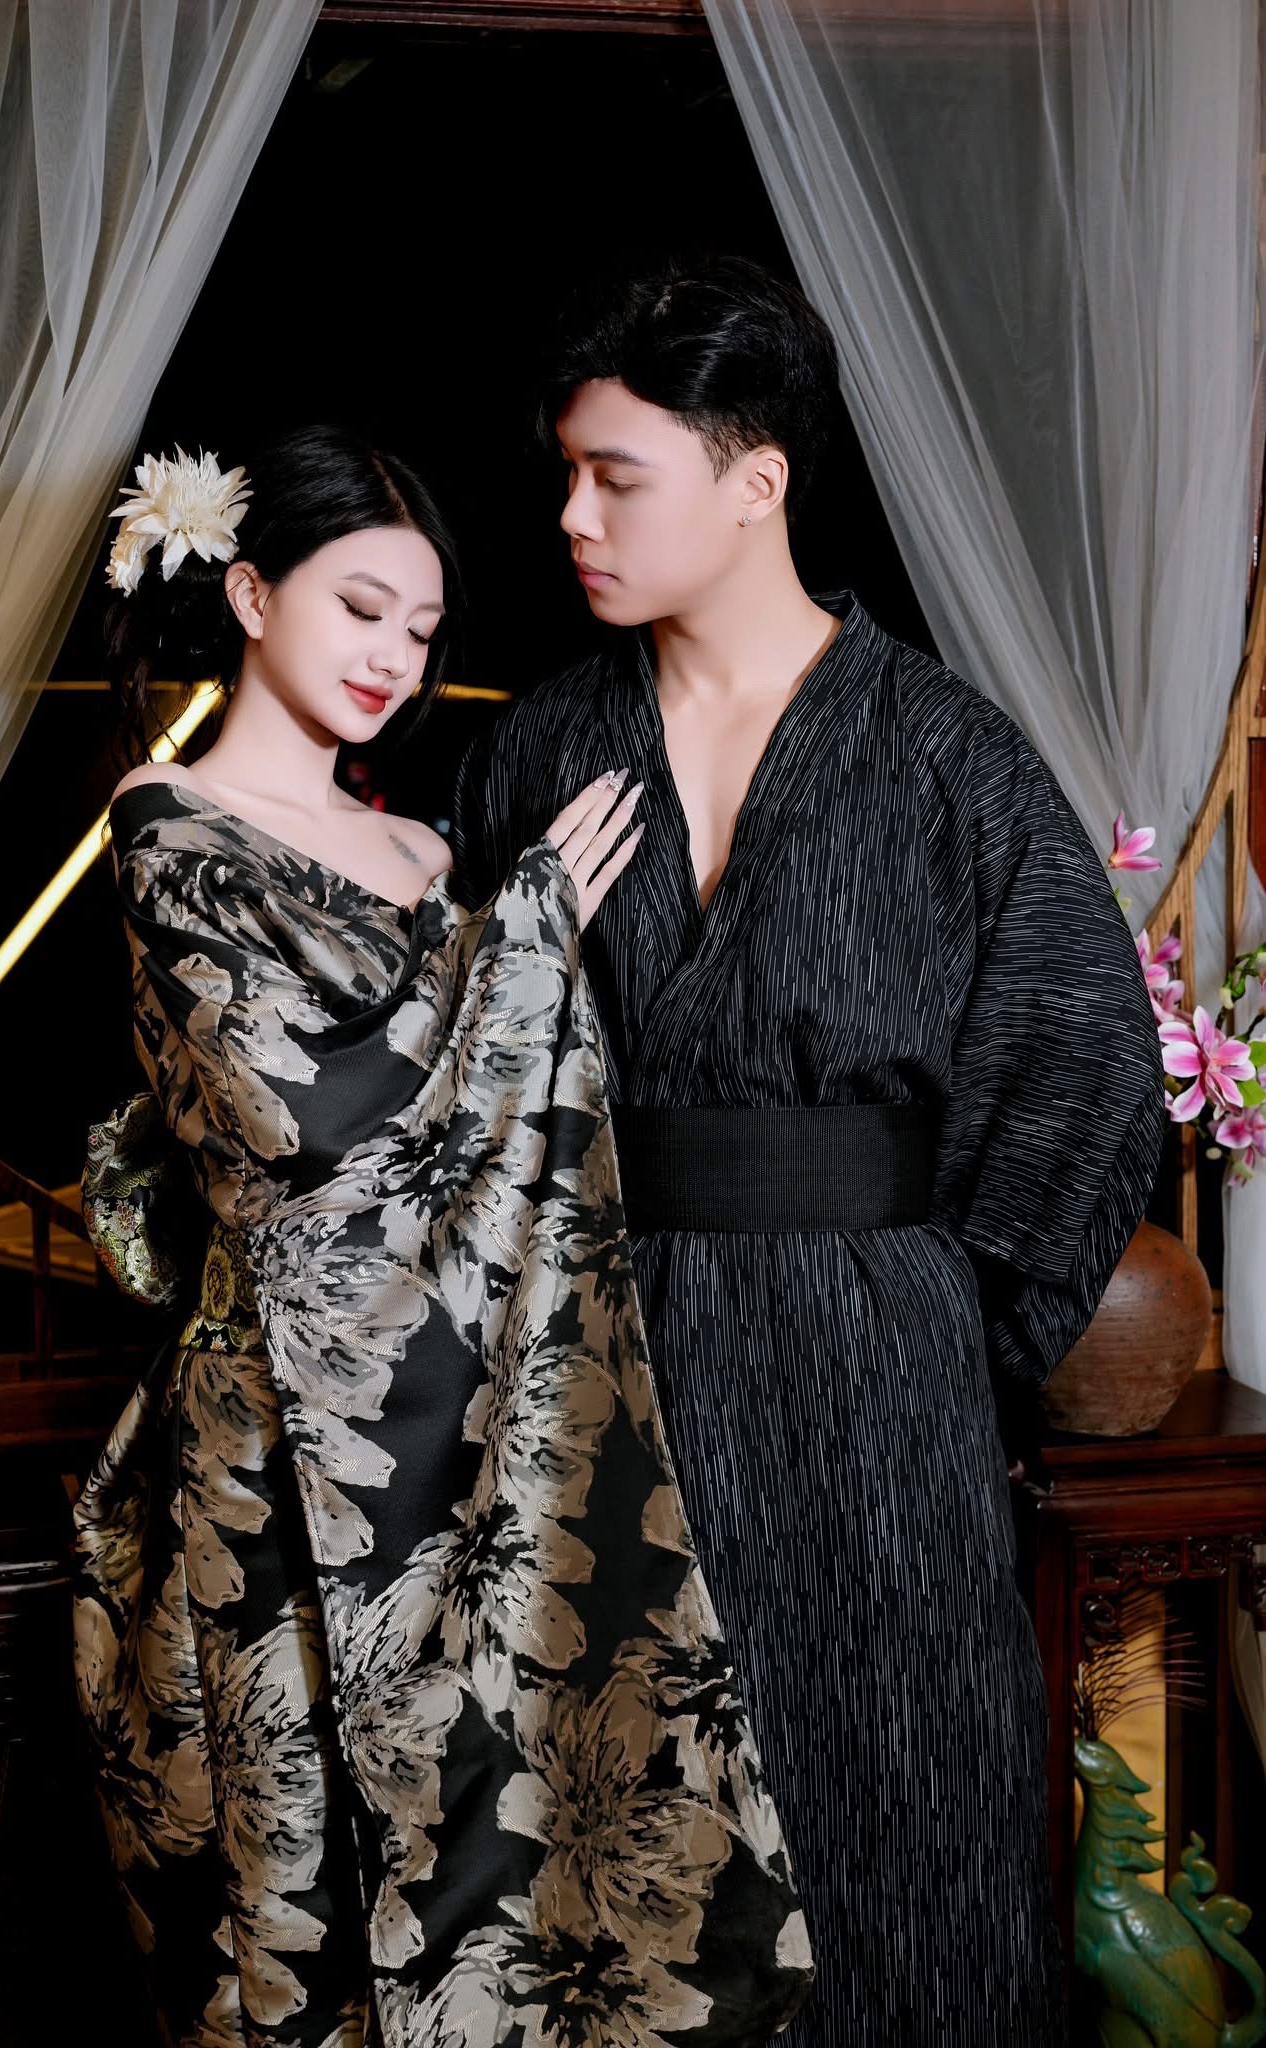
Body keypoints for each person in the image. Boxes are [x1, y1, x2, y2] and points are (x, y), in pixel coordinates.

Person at [452, 257, 1168, 2046]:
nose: (571, 516)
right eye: (565, 473)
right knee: (612, 1833)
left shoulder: (946, 758)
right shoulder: (538, 750)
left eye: (616, 476)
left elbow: (1083, 1071)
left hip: (878, 1380)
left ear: (753, 480)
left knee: (900, 1818)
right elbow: (447, 1077)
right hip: (594, 1370)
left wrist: (936, 1334)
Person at [74, 425, 815, 2048]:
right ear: (252, 593)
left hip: (476, 1436)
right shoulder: (172, 830)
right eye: (359, 610)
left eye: (418, 632)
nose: (391, 661)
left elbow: (520, 1138)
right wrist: (528, 933)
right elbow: (300, 1132)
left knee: (513, 1841)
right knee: (316, 1886)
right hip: (289, 1455)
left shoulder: (424, 852)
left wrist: (520, 937)